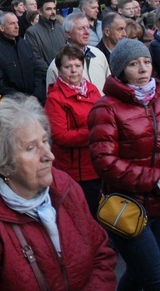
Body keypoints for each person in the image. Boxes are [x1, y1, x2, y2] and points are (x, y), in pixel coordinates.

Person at [0, 95, 116, 290]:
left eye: (45, 141)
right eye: (31, 148)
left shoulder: (65, 188)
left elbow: (101, 254)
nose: (49, 156)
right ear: (3, 164)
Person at [89, 38, 160, 290]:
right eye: (133, 64)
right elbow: (105, 162)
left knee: (139, 271)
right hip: (127, 206)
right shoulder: (106, 108)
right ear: (121, 69)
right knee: (157, 279)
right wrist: (155, 179)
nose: (143, 69)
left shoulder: (155, 99)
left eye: (147, 62)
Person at [44, 45, 102, 215]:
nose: (74, 71)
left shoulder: (92, 89)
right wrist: (93, 132)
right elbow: (60, 135)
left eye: (77, 66)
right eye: (68, 67)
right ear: (60, 70)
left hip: (96, 162)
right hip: (75, 169)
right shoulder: (56, 98)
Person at [0, 12, 46, 103]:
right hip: (13, 106)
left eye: (17, 23)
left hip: (35, 101)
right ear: (2, 28)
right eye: (12, 24)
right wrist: (22, 99)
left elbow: (36, 70)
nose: (17, 26)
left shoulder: (24, 44)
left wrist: (36, 95)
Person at [25, 0, 67, 69]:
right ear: (40, 12)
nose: (53, 12)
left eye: (54, 8)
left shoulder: (61, 29)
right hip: (46, 77)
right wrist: (51, 73)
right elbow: (36, 58)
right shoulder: (32, 32)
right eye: (49, 9)